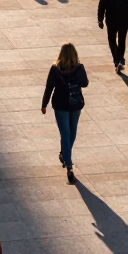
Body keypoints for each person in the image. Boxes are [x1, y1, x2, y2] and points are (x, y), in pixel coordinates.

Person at [41, 42, 89, 183]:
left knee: (66, 135)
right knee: (71, 134)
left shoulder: (55, 68)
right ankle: (68, 163)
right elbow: (85, 83)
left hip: (61, 105)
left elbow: (49, 87)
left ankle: (66, 158)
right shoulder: (79, 68)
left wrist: (44, 104)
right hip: (75, 104)